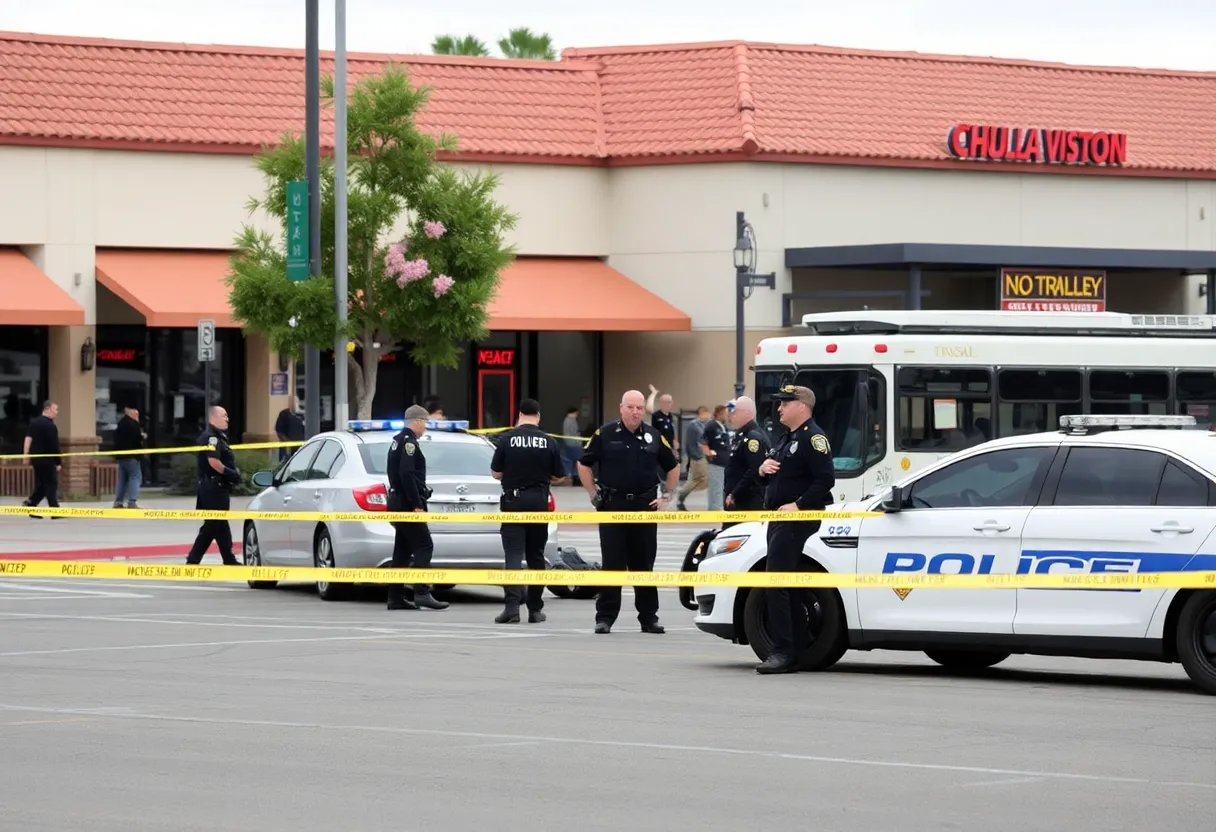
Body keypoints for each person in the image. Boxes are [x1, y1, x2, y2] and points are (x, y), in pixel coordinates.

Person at [577, 389, 680, 635]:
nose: (635, 412)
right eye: (631, 407)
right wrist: (592, 493)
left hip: (644, 506)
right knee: (612, 564)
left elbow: (673, 467)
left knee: (643, 564)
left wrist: (667, 495)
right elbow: (583, 464)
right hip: (612, 506)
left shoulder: (654, 435)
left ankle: (649, 618)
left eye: (639, 408)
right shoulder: (605, 434)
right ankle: (605, 618)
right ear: (621, 408)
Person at [754, 385, 835, 675]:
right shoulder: (786, 438)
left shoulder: (813, 438)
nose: (779, 408)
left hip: (796, 521)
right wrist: (762, 471)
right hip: (779, 519)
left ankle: (783, 651)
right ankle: (796, 649)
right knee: (785, 584)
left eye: (785, 403)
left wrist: (799, 505)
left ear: (801, 406)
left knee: (776, 582)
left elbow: (826, 479)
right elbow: (775, 478)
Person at [489, 398, 567, 624]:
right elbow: (560, 476)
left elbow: (496, 473)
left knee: (513, 556)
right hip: (539, 502)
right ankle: (535, 609)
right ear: (538, 416)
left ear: (520, 415)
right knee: (536, 556)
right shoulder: (549, 441)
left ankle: (512, 609)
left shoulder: (507, 439)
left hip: (513, 502)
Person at [385, 404, 448, 611]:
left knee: (402, 551)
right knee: (424, 545)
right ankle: (422, 592)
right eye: (425, 422)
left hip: (397, 501)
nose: (425, 427)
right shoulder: (409, 443)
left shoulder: (397, 441)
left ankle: (395, 597)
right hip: (407, 504)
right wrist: (416, 504)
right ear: (417, 421)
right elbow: (407, 474)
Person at [185, 406, 242, 565]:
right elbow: (214, 462)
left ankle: (227, 558)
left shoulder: (218, 437)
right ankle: (194, 559)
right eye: (224, 416)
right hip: (213, 487)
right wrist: (231, 474)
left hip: (216, 487)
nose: (227, 419)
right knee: (214, 524)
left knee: (218, 524)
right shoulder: (212, 438)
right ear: (212, 419)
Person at [723, 396, 771, 527]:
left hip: (746, 500)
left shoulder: (753, 437)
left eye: (735, 412)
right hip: (736, 500)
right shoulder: (741, 435)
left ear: (747, 413)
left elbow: (754, 469)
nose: (732, 416)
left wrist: (734, 493)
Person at [21, 400, 61, 519]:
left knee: (43, 485)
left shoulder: (34, 423)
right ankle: (55, 511)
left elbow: (28, 439)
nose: (56, 412)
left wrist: (26, 455)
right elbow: (54, 445)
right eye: (55, 409)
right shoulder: (50, 426)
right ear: (48, 409)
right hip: (47, 459)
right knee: (51, 484)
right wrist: (58, 461)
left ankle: (31, 503)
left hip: (36, 459)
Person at [675, 406, 709, 511]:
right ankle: (681, 494)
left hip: (701, 456)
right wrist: (695, 456)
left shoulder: (701, 425)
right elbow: (689, 443)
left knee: (696, 479)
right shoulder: (693, 425)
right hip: (697, 457)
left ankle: (681, 496)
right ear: (701, 413)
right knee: (698, 479)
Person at [112, 405, 146, 509]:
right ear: (132, 413)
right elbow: (136, 439)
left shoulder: (121, 423)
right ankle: (132, 501)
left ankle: (118, 501)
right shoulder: (133, 425)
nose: (137, 416)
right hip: (132, 456)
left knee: (122, 479)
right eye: (136, 414)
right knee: (135, 477)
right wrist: (142, 436)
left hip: (121, 456)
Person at [700, 404, 730, 511]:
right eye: (725, 413)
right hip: (716, 462)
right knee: (715, 487)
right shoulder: (711, 426)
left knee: (721, 487)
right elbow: (703, 442)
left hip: (724, 462)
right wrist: (709, 454)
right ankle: (714, 509)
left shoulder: (724, 426)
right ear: (719, 413)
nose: (727, 416)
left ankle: (719, 507)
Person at [274, 395, 305, 462]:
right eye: (292, 402)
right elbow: (278, 429)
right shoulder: (284, 414)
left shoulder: (303, 414)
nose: (294, 403)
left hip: (300, 445)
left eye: (296, 402)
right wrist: (286, 442)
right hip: (287, 446)